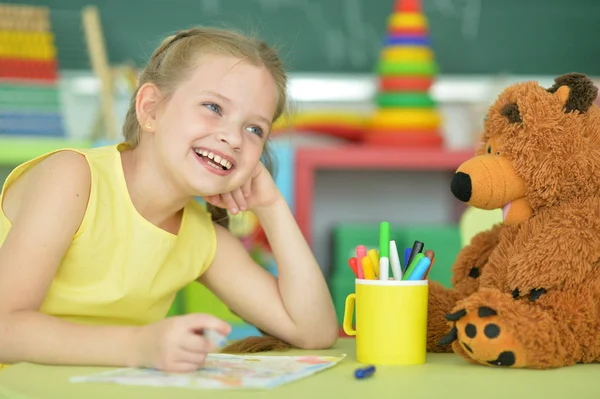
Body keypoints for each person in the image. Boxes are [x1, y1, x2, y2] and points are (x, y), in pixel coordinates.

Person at [0, 27, 338, 373]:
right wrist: (137, 346)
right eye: (213, 106)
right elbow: (5, 330)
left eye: (255, 130)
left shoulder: (202, 240)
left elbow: (314, 330)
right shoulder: (71, 178)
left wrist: (271, 207)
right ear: (150, 109)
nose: (233, 137)